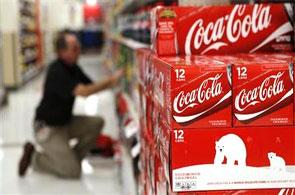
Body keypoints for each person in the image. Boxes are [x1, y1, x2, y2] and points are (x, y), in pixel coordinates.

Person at [18, 30, 123, 178]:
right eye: (74, 48)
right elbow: (84, 92)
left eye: (78, 47)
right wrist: (111, 81)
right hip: (47, 128)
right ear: (62, 52)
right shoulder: (57, 70)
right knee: (73, 172)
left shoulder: (73, 67)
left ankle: (68, 159)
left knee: (97, 123)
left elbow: (91, 86)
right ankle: (34, 158)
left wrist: (111, 85)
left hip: (65, 123)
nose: (79, 51)